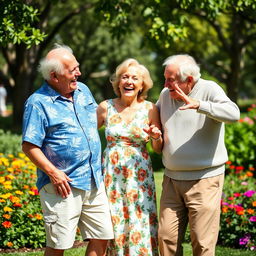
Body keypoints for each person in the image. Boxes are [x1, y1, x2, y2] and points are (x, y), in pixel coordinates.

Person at [22, 44, 114, 256]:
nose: (78, 73)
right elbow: (29, 145)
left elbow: (91, 124)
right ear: (54, 76)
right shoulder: (38, 103)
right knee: (59, 245)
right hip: (63, 185)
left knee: (102, 236)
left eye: (77, 67)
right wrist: (54, 173)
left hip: (93, 179)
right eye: (72, 70)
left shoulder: (83, 91)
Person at [156, 54, 240, 256]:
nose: (166, 84)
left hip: (204, 180)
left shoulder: (209, 89)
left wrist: (200, 105)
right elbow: (155, 120)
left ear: (189, 80)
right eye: (165, 78)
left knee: (202, 242)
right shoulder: (165, 94)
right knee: (165, 237)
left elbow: (234, 114)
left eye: (171, 80)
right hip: (171, 180)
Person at [97, 58, 163, 256]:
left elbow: (158, 148)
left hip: (139, 175)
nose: (129, 81)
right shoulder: (104, 107)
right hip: (111, 174)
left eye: (135, 78)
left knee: (140, 215)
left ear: (143, 84)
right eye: (125, 77)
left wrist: (156, 137)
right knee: (113, 216)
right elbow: (88, 138)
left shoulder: (150, 109)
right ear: (118, 82)